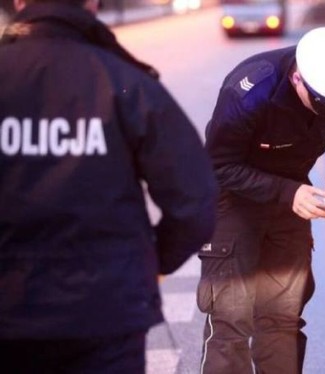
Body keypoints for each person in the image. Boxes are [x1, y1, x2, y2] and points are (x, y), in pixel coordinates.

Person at [0, 0, 219, 372]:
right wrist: (150, 263)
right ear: (92, 2)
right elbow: (196, 201)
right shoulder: (124, 81)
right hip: (107, 315)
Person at [198, 26, 325, 373]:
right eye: (323, 106)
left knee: (282, 317)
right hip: (232, 198)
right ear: (297, 79)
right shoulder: (249, 93)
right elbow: (217, 165)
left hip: (292, 197)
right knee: (231, 319)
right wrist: (288, 192)